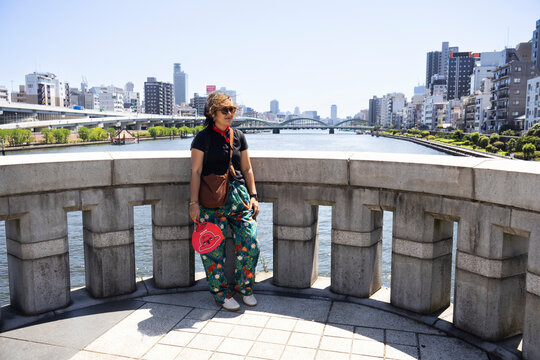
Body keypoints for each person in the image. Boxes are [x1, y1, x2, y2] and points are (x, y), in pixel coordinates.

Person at [189, 92, 260, 311]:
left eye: (232, 109)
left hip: (239, 196)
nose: (230, 113)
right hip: (212, 199)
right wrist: (193, 203)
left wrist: (254, 195)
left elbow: (246, 168)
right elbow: (196, 172)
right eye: (225, 110)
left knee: (250, 241)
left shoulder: (239, 136)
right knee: (213, 250)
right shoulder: (202, 138)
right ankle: (221, 294)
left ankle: (245, 287)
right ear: (213, 113)